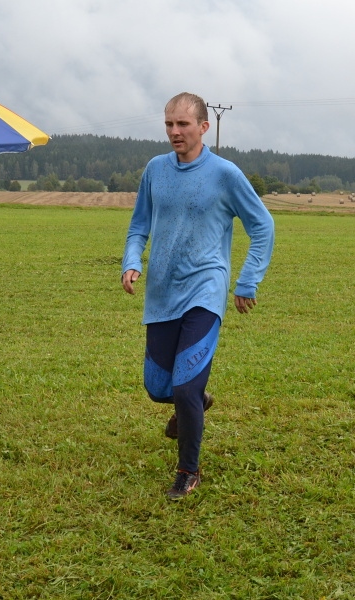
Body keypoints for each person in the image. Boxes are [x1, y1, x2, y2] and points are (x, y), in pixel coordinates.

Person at [121, 92, 275, 500]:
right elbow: (138, 225)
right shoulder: (155, 170)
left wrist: (247, 280)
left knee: (184, 388)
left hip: (205, 289)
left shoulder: (225, 174)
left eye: (183, 124)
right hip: (162, 292)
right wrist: (131, 261)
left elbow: (262, 225)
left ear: (204, 127)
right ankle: (196, 401)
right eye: (169, 124)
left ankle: (187, 470)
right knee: (158, 388)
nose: (175, 131)